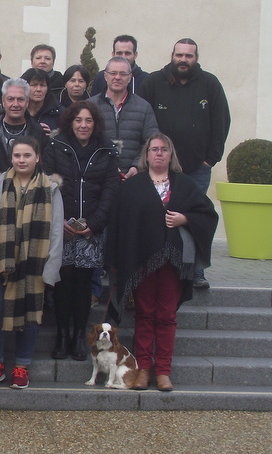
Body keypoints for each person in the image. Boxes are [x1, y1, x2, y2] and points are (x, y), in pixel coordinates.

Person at [106, 133, 218, 391]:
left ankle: (164, 371)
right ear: (146, 155)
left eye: (163, 149)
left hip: (173, 263)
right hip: (141, 262)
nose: (158, 153)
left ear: (171, 155)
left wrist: (185, 219)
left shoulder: (185, 185)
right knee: (144, 313)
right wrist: (115, 261)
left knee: (166, 315)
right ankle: (144, 368)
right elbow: (119, 223)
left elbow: (207, 214)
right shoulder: (133, 186)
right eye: (153, 149)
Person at [137, 39, 228, 290]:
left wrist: (212, 158)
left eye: (189, 55)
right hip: (159, 168)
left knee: (195, 218)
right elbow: (141, 118)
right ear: (172, 56)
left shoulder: (210, 84)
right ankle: (156, 265)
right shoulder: (154, 82)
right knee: (160, 217)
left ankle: (196, 270)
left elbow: (222, 121)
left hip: (197, 168)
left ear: (196, 57)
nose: (183, 60)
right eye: (179, 55)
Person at [0, 136, 63, 389]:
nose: (21, 160)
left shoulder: (51, 189)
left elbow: (56, 230)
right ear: (11, 158)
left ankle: (22, 366)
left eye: (27, 155)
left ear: (38, 158)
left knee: (30, 316)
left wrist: (51, 267)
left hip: (34, 265)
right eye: (17, 156)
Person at [41, 101, 119, 360]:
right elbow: (47, 184)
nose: (83, 125)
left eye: (88, 120)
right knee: (63, 284)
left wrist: (95, 224)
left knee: (83, 286)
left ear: (95, 123)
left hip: (91, 228)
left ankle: (78, 336)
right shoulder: (56, 145)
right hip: (61, 227)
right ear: (70, 122)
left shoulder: (106, 149)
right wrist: (57, 220)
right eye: (78, 120)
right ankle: (62, 336)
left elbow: (110, 190)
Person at [89, 57, 159, 179]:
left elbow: (151, 142)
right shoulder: (89, 106)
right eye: (113, 73)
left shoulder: (143, 107)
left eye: (123, 74)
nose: (117, 77)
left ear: (130, 77)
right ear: (105, 76)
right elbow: (83, 142)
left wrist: (136, 166)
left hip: (134, 177)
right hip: (98, 177)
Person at [0, 78, 49, 173]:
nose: (15, 104)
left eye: (20, 99)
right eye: (10, 99)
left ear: (27, 102)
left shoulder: (38, 132)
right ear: (3, 102)